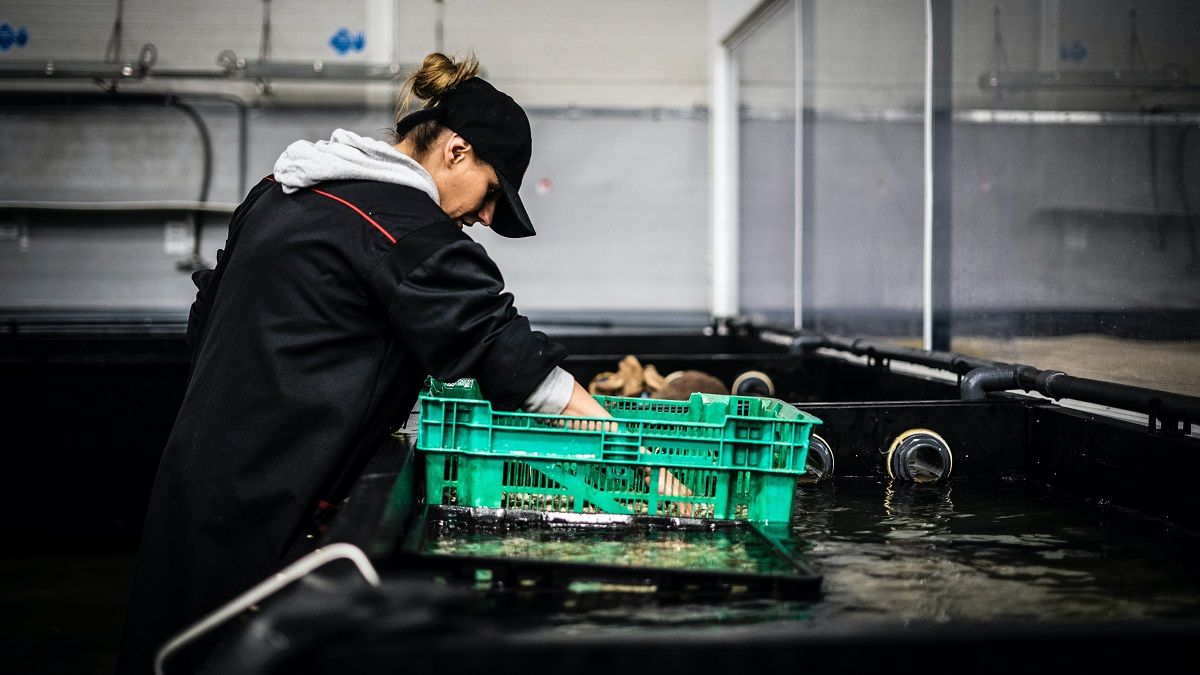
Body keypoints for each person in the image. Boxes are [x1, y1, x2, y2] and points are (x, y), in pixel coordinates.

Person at [117, 52, 608, 673]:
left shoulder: (281, 194)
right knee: (237, 651)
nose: (486, 218)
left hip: (197, 473)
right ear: (455, 151)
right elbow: (508, 356)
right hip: (276, 497)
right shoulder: (407, 230)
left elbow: (209, 315)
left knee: (171, 643)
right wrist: (628, 449)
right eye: (491, 194)